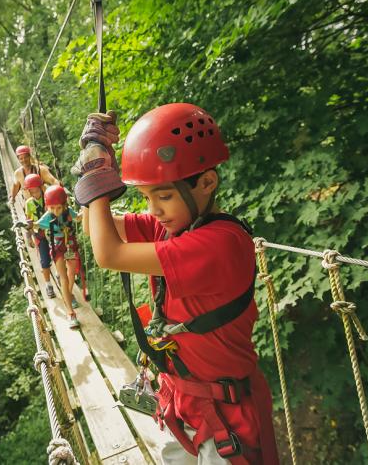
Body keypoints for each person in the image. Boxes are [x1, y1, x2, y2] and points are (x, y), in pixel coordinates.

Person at [74, 104, 279, 465]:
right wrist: (96, 162)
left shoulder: (220, 244)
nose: (153, 209)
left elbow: (108, 253)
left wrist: (97, 178)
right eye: (146, 197)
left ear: (207, 183)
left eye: (163, 196)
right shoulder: (171, 225)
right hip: (182, 407)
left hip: (227, 420)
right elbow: (94, 222)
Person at [37, 185, 84, 329]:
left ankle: (68, 294)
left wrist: (87, 209)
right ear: (47, 207)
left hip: (70, 243)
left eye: (58, 208)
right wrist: (27, 225)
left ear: (64, 205)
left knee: (72, 273)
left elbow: (78, 218)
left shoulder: (68, 212)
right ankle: (70, 313)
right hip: (57, 245)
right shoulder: (47, 216)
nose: (56, 212)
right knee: (63, 276)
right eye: (52, 208)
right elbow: (36, 225)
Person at [23, 173, 56, 299]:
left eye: (36, 189)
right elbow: (28, 221)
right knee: (44, 260)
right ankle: (48, 285)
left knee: (57, 255)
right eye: (32, 190)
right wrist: (28, 236)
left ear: (41, 187)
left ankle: (59, 275)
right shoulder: (29, 203)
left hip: (53, 231)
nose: (34, 192)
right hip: (39, 234)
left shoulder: (48, 197)